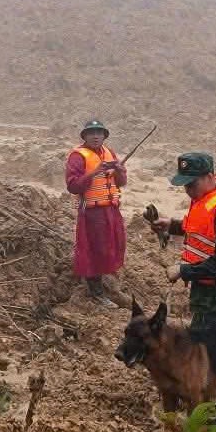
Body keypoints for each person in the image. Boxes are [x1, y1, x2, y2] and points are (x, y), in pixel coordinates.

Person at [149, 153, 216, 332]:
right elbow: (201, 230)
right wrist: (171, 226)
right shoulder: (203, 198)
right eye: (185, 185)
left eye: (191, 184)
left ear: (209, 177)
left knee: (213, 349)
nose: (188, 190)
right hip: (206, 291)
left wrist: (183, 270)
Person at [64, 120, 128, 308]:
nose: (95, 136)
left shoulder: (109, 153)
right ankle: (96, 292)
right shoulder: (77, 156)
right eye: (91, 133)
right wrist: (94, 172)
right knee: (94, 250)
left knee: (114, 245)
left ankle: (106, 280)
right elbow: (73, 186)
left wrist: (120, 171)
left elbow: (120, 182)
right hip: (93, 212)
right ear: (84, 136)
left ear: (104, 135)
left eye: (99, 132)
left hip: (111, 209)